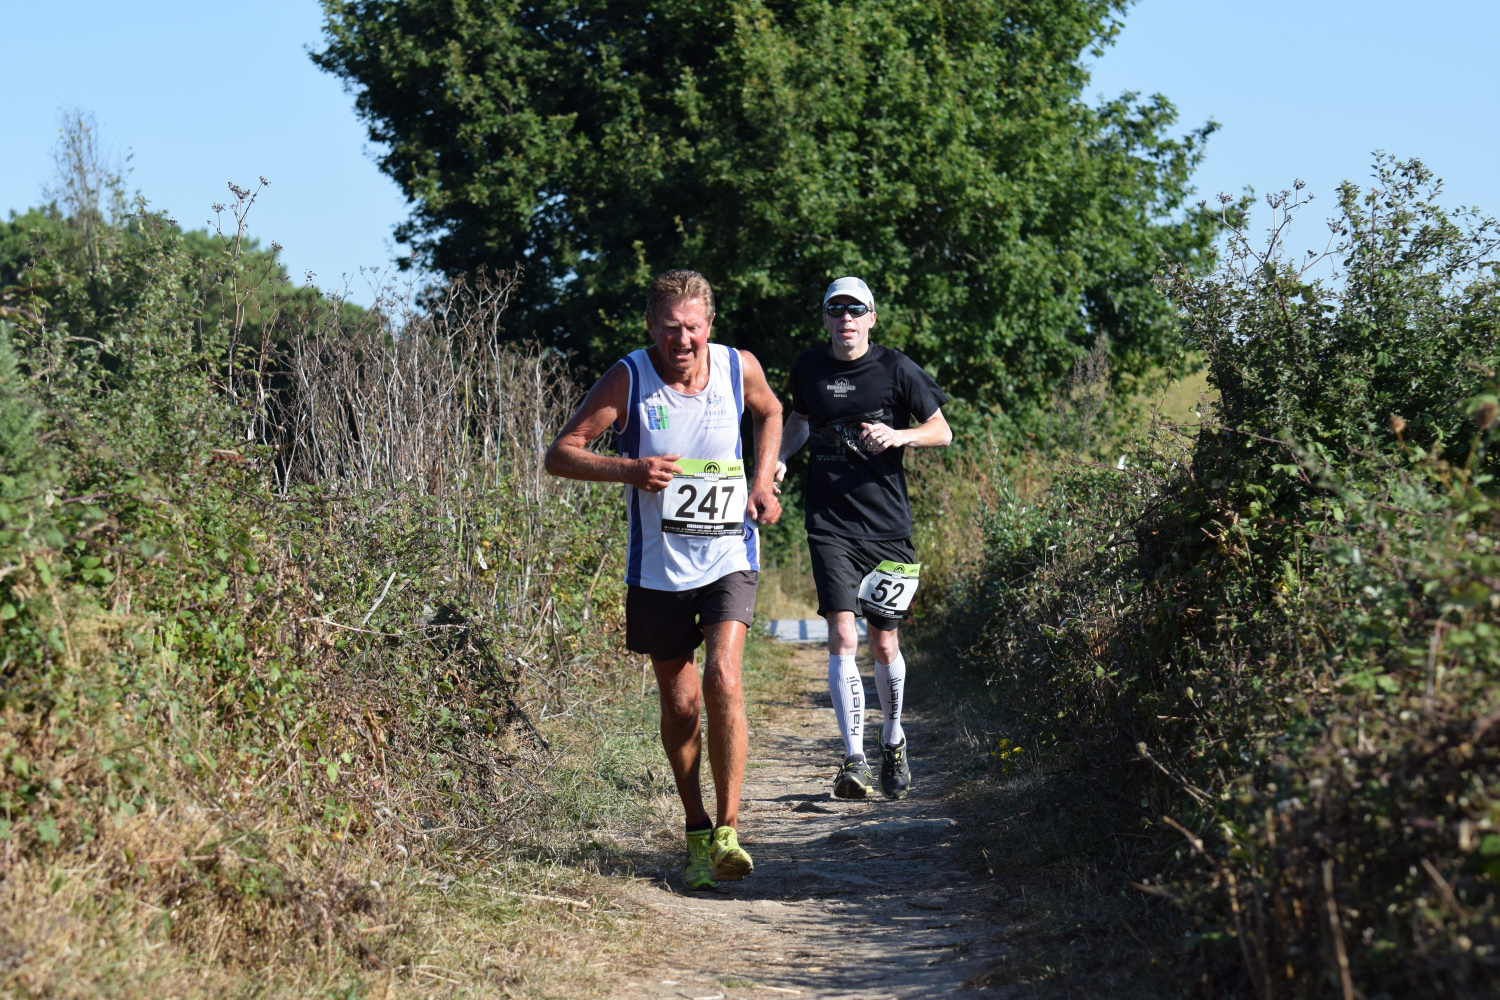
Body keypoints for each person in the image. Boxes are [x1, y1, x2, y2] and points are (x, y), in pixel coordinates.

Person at [544, 269, 782, 890]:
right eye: (670, 327)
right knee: (680, 705)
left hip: (729, 552)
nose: (683, 340)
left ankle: (729, 829)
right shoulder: (629, 377)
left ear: (710, 325)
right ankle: (696, 827)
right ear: (651, 325)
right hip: (659, 567)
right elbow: (560, 454)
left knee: (723, 677)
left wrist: (762, 480)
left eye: (693, 327)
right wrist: (630, 469)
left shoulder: (737, 367)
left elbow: (771, 411)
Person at [776, 276, 951, 800]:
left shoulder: (896, 368)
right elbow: (800, 419)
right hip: (829, 522)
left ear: (871, 317)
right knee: (841, 634)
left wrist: (900, 435)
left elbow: (941, 430)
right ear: (825, 318)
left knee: (883, 641)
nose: (846, 318)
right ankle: (853, 758)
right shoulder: (808, 367)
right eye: (837, 309)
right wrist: (777, 459)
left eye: (856, 310)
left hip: (888, 527)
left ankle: (892, 739)